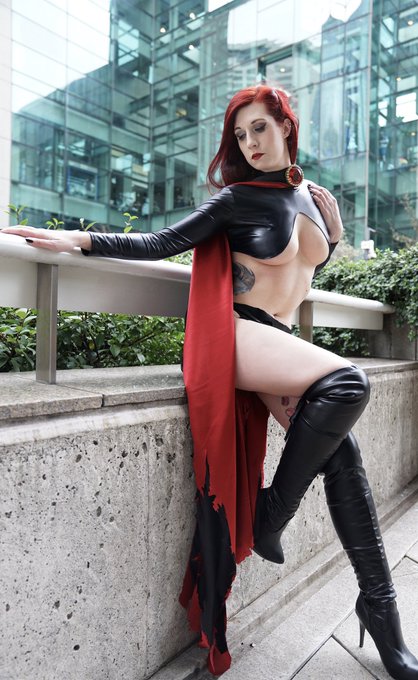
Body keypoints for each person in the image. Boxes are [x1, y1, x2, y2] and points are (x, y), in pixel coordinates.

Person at [2, 85, 417, 679]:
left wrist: (332, 228)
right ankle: (270, 516)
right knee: (349, 383)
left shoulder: (314, 200)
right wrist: (78, 239)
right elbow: (161, 242)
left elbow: (305, 269)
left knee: (344, 455)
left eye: (259, 129)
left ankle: (381, 614)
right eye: (240, 135)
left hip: (277, 342)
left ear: (286, 126)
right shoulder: (238, 199)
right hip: (238, 335)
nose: (249, 144)